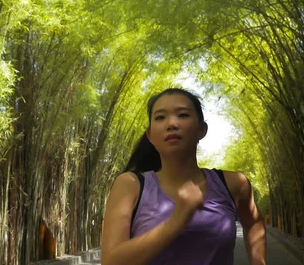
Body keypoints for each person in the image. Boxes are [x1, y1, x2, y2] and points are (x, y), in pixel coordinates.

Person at [101, 88, 266, 265]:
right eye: (160, 117)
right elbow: (111, 261)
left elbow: (253, 223)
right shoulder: (130, 185)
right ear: (150, 135)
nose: (171, 123)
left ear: (201, 129)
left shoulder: (233, 184)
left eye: (183, 115)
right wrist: (176, 222)